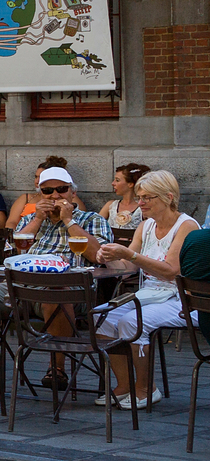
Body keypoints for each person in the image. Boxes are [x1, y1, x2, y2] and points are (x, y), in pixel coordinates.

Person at [0, 164, 106, 399]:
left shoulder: (92, 219)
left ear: (72, 192)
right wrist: (39, 218)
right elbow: (14, 256)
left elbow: (97, 255)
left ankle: (57, 368)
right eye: (48, 191)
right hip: (21, 286)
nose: (55, 196)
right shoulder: (31, 219)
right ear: (40, 195)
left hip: (70, 290)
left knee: (55, 292)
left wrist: (69, 222)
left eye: (61, 189)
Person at [93, 169, 198, 408]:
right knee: (101, 317)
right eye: (139, 197)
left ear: (168, 197)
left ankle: (146, 389)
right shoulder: (146, 225)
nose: (140, 203)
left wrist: (130, 254)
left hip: (182, 299)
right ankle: (125, 384)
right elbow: (128, 265)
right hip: (151, 293)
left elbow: (171, 270)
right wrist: (107, 257)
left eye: (147, 198)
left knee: (131, 322)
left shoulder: (187, 226)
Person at [100, 163, 150, 233]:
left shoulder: (143, 208)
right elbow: (95, 224)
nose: (113, 183)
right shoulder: (111, 205)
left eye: (117, 180)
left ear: (130, 184)